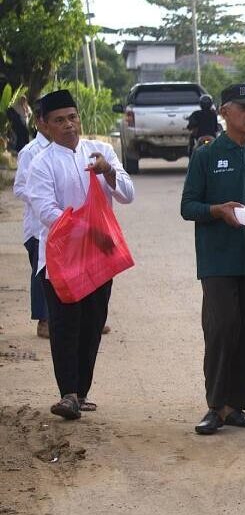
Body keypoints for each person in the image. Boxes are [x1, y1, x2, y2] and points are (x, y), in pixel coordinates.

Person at [180, 83, 245, 436]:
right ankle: (216, 406)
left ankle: (238, 405)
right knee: (222, 329)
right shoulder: (206, 156)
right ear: (224, 112)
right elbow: (188, 207)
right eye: (244, 107)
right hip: (218, 261)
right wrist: (217, 210)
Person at [26, 89, 135, 420]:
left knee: (92, 323)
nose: (68, 125)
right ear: (45, 125)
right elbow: (45, 210)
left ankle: (81, 392)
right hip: (61, 259)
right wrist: (85, 229)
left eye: (72, 117)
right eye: (59, 120)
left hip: (99, 258)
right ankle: (68, 393)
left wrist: (108, 172)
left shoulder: (100, 152)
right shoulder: (41, 163)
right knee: (64, 325)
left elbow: (128, 194)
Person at [13, 113, 52, 338]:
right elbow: (19, 188)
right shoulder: (30, 152)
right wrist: (43, 197)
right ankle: (43, 321)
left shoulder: (66, 148)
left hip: (62, 223)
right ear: (40, 122)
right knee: (41, 274)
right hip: (38, 227)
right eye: (55, 119)